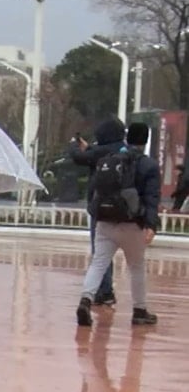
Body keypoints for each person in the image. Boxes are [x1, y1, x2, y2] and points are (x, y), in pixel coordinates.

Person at [77, 122, 160, 328]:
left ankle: (86, 300)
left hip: (105, 221)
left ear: (127, 137)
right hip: (132, 224)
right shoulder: (148, 165)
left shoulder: (109, 160)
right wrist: (151, 225)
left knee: (98, 263)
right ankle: (139, 311)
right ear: (145, 140)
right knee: (136, 267)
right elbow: (151, 198)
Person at [69, 117, 127, 307]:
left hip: (101, 207)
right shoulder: (124, 150)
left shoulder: (100, 151)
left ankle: (104, 291)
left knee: (100, 252)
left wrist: (73, 146)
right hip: (124, 207)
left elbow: (79, 158)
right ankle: (131, 301)